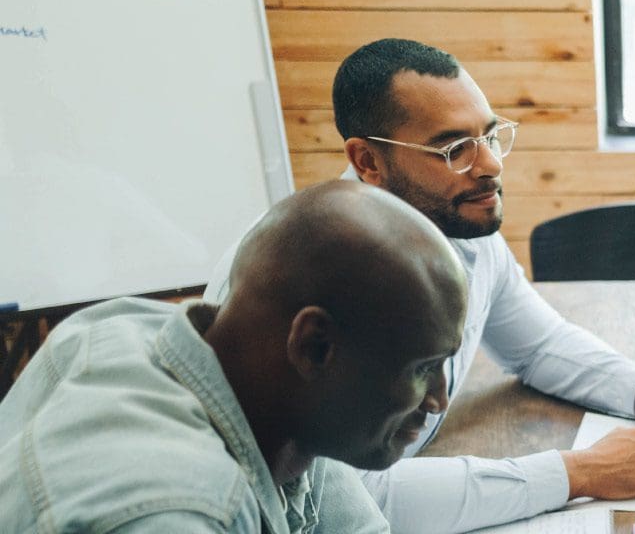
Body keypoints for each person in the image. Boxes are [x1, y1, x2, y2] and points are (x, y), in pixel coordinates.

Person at [207, 39, 635, 533]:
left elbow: (538, 344)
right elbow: (356, 499)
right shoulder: (312, 280)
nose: (492, 166)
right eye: (454, 148)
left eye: (490, 136)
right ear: (368, 162)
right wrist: (578, 472)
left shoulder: (459, 225)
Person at [0, 181, 466, 533]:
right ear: (314, 347)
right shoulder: (174, 514)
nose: (438, 400)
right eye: (424, 368)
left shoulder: (266, 388)